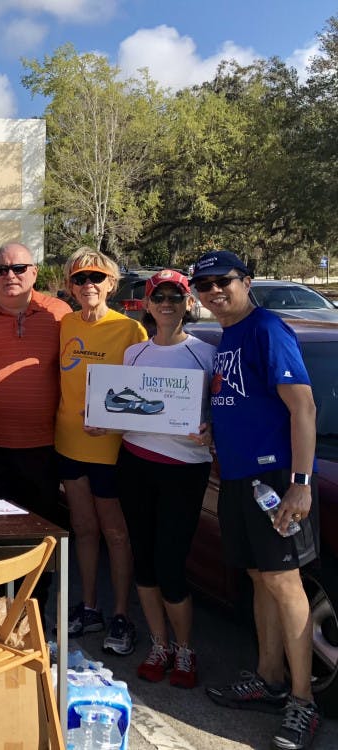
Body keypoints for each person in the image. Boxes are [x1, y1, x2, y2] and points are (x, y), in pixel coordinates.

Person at [193, 251, 321, 750]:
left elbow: (303, 406)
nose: (213, 291)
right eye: (203, 285)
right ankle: (268, 679)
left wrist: (301, 481)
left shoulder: (267, 328)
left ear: (246, 281)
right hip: (239, 477)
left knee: (286, 584)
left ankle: (303, 700)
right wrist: (213, 426)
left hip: (274, 478)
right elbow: (242, 401)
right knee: (258, 577)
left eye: (222, 281)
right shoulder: (229, 337)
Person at [114, 269, 215, 689]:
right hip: (135, 463)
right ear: (148, 304)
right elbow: (120, 408)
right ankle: (160, 644)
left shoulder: (206, 354)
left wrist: (212, 431)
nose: (167, 303)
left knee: (172, 565)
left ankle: (185, 650)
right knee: (144, 559)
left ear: (188, 302)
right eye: (160, 297)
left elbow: (223, 412)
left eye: (176, 296)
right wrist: (104, 422)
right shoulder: (134, 354)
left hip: (184, 471)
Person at [0, 242, 71, 611]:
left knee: (38, 540)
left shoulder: (58, 314)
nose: (10, 276)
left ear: (35, 272)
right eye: (2, 270)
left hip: (44, 447)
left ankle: (32, 617)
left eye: (19, 268)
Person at [56, 247, 147, 655]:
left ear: (111, 283)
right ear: (70, 286)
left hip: (111, 449)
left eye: (96, 278)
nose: (88, 285)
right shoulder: (64, 323)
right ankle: (91, 606)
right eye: (79, 279)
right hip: (68, 444)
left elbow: (147, 394)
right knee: (85, 529)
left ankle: (122, 615)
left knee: (116, 532)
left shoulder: (130, 331)